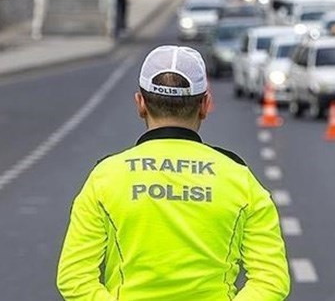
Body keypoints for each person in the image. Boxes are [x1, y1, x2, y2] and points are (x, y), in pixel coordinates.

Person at [57, 45, 290, 300]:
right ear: (205, 105)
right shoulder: (239, 178)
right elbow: (271, 280)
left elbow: (74, 277)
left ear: (141, 104)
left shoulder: (106, 177)